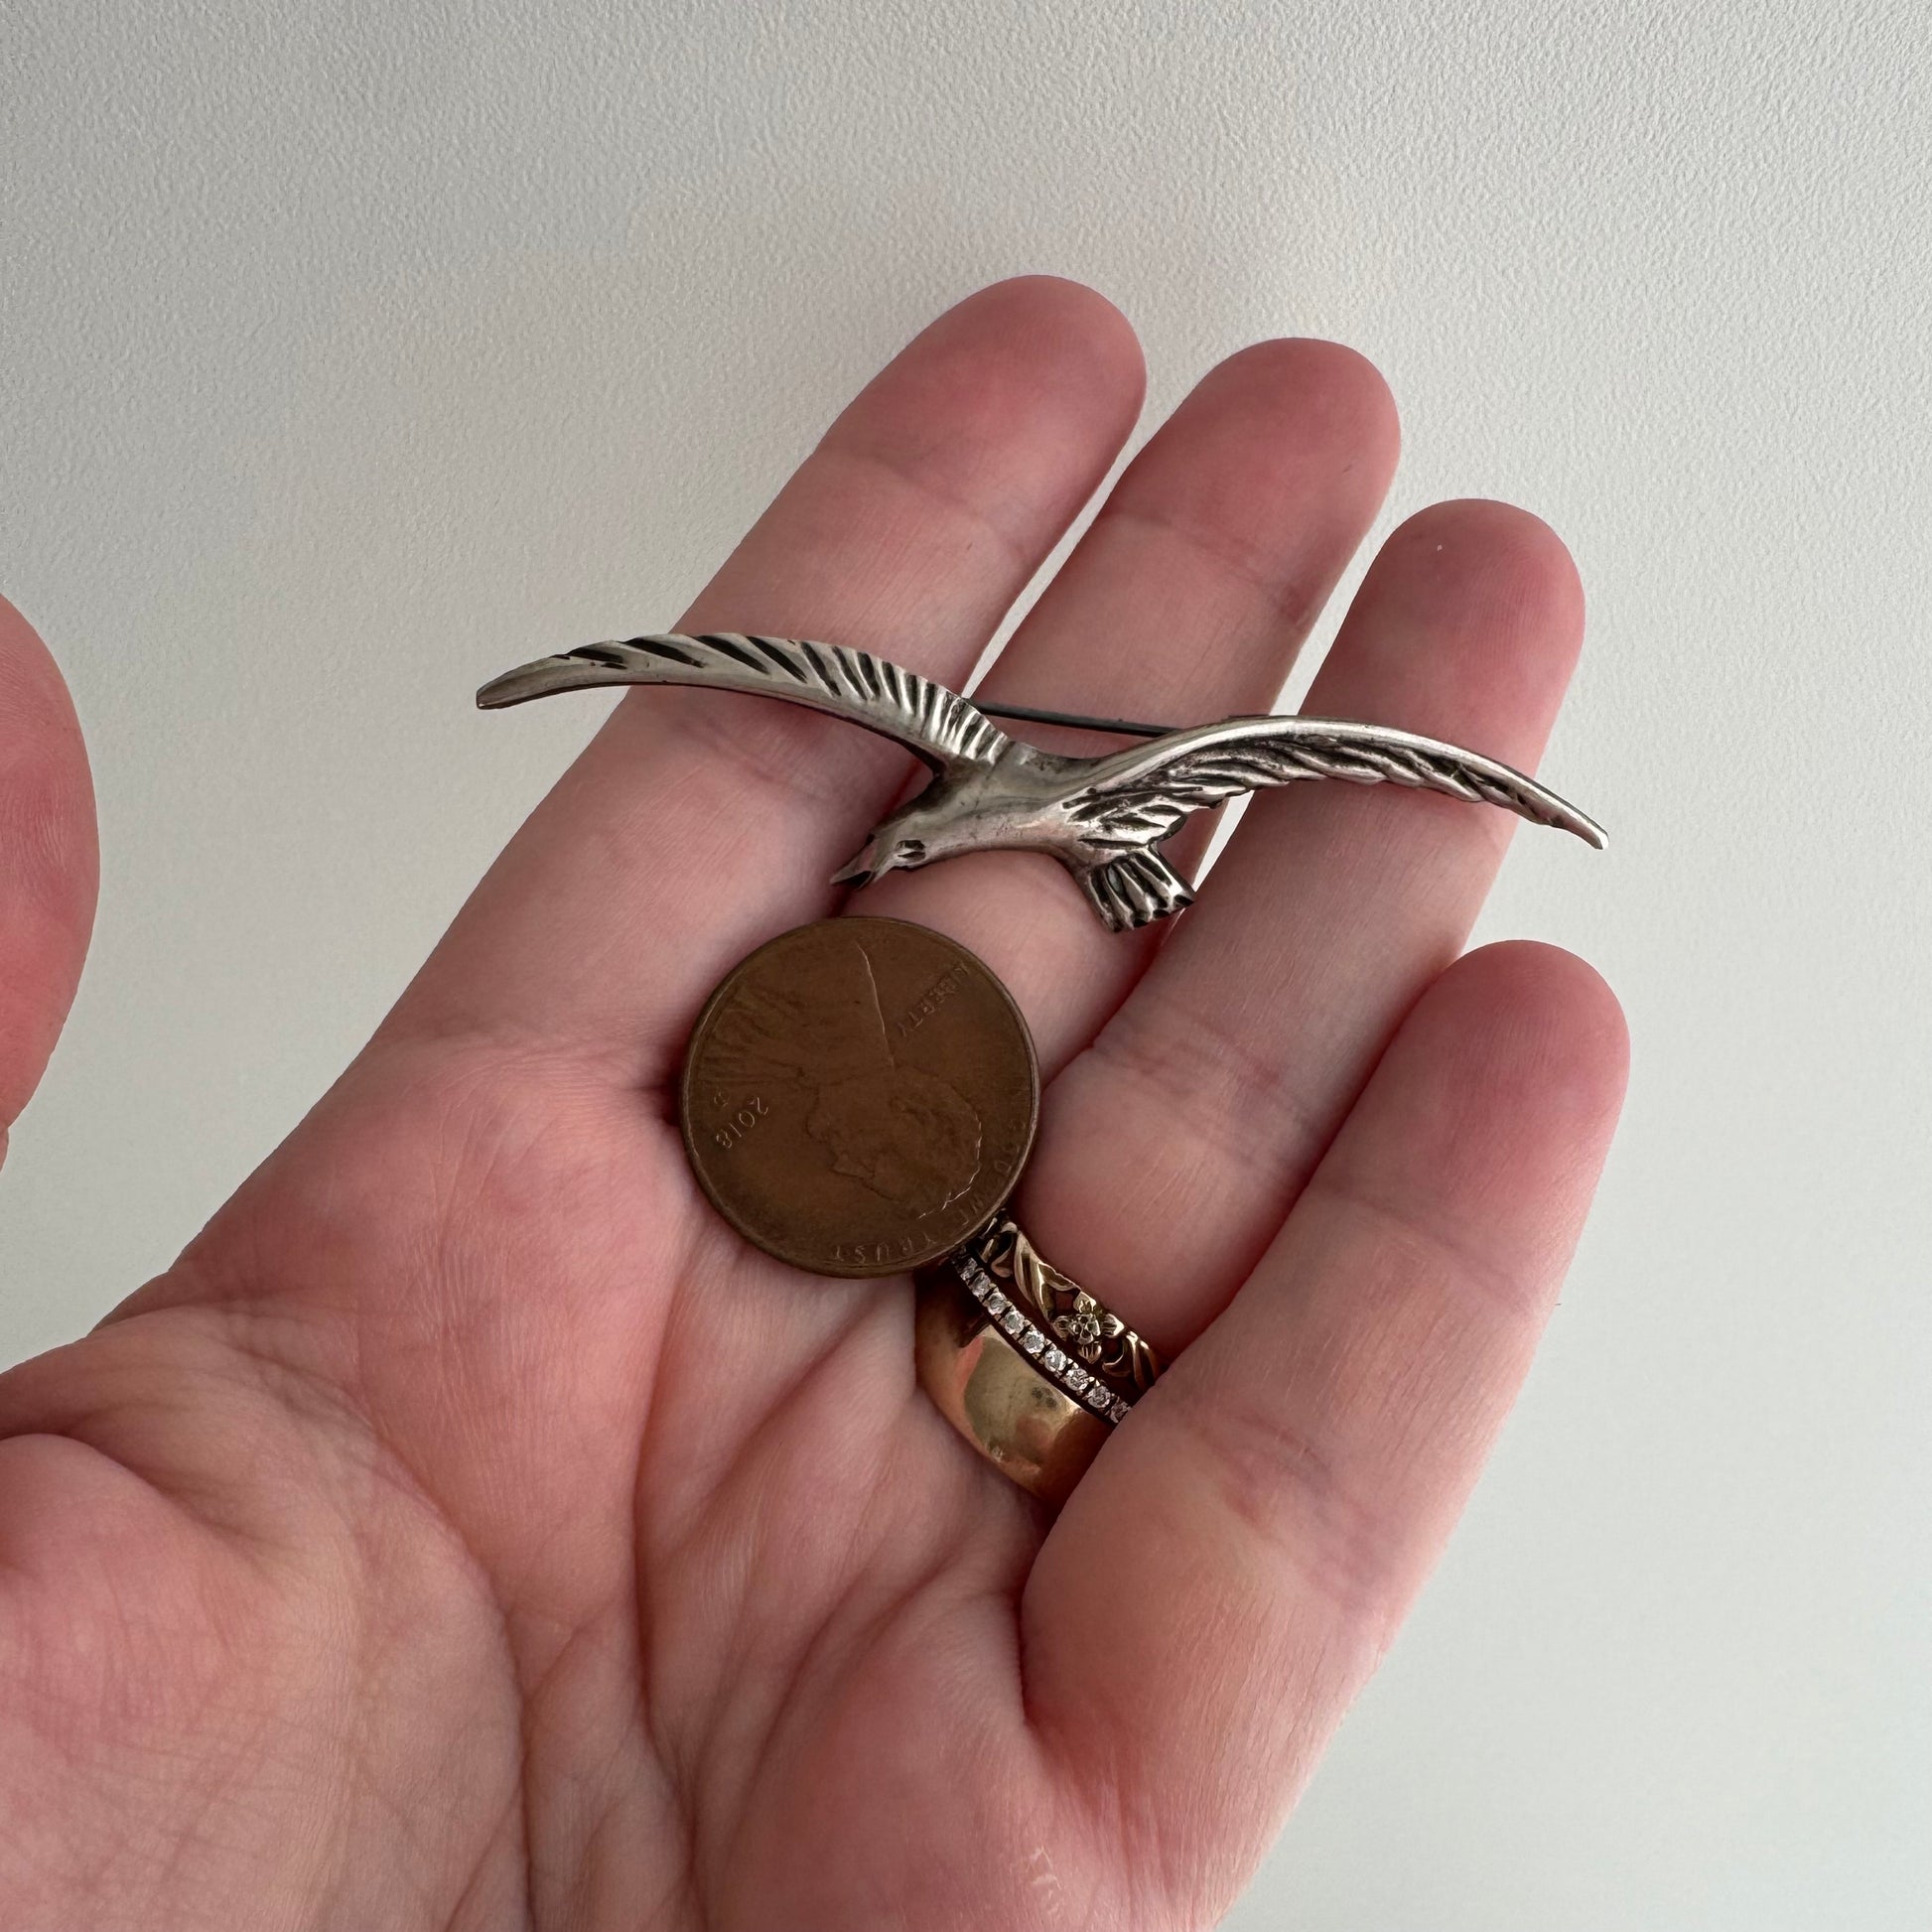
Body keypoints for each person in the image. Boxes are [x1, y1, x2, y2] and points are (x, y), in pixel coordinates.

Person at [0, 276, 1626, 1928]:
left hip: (1117, 836)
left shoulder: (1110, 790)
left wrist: (1362, 790)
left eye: (908, 841)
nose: (892, 851)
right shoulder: (940, 764)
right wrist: (618, 671)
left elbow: (1267, 769)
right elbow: (772, 685)